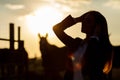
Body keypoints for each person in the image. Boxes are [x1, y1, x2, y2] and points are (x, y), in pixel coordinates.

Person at [53, 10, 113, 80]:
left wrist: (94, 36)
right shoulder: (76, 42)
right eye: (83, 20)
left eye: (88, 21)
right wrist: (77, 19)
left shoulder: (101, 47)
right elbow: (57, 29)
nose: (83, 23)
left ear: (97, 27)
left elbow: (93, 59)